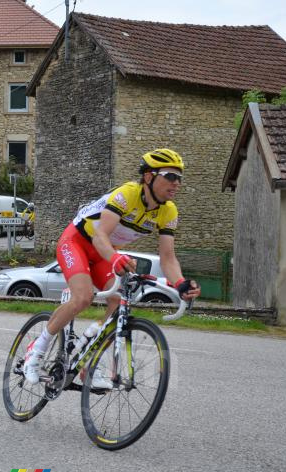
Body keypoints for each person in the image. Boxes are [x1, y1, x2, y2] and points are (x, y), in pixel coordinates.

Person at [22, 148, 201, 388]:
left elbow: (167, 258)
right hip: (77, 242)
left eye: (179, 177)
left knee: (117, 305)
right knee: (83, 297)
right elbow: (99, 236)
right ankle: (35, 354)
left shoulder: (168, 211)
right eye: (170, 175)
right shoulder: (126, 195)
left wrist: (180, 283)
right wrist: (116, 258)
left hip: (105, 252)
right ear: (148, 176)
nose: (176, 183)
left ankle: (87, 363)